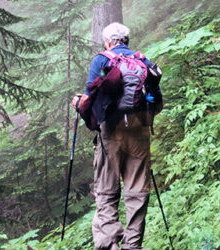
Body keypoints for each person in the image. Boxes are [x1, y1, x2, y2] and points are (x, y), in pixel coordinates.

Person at [72, 22, 162, 250]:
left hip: (111, 132)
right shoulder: (143, 62)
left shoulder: (103, 61)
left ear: (108, 42)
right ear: (127, 40)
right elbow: (158, 103)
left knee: (106, 190)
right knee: (138, 190)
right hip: (139, 132)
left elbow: (88, 99)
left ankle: (110, 244)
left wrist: (77, 105)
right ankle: (132, 246)